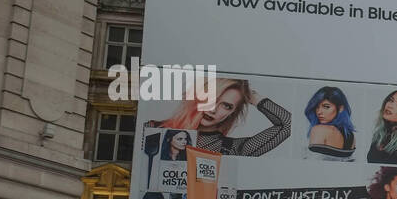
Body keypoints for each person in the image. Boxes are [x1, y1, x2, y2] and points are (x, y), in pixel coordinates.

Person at [150, 77, 290, 156]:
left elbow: (288, 124)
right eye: (211, 98)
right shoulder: (154, 129)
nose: (213, 109)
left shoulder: (233, 148)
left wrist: (254, 97)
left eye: (226, 105)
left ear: (231, 113)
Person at [303, 85, 357, 159]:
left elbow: (311, 165)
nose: (319, 112)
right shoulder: (351, 136)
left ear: (340, 108)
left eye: (326, 106)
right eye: (317, 107)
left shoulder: (319, 130)